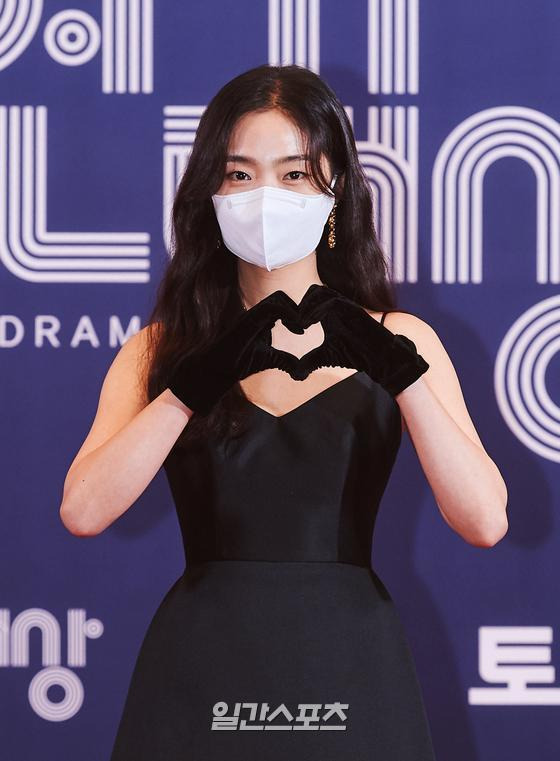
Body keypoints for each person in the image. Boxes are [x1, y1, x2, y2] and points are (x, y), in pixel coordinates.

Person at [60, 64, 508, 760]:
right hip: (200, 669)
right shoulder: (159, 349)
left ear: (335, 195)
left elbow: (484, 519)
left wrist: (399, 370)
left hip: (352, 665)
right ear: (209, 191)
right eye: (240, 174)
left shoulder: (403, 337)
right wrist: (186, 388)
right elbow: (83, 509)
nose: (264, 194)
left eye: (294, 174)